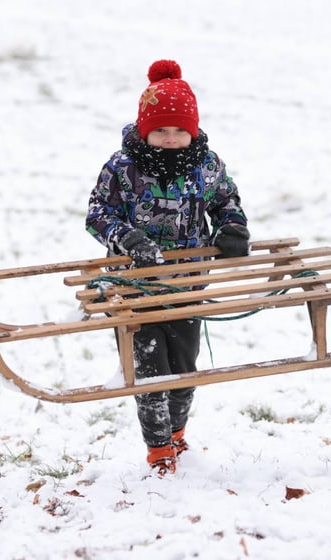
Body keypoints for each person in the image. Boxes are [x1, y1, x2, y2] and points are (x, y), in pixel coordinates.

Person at [85, 59, 250, 476]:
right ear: (145, 130)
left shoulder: (207, 165)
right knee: (149, 369)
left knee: (183, 367)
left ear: (191, 131)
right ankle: (158, 446)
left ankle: (177, 430)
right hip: (134, 287)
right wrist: (127, 237)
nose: (171, 139)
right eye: (161, 130)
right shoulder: (123, 168)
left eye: (180, 130)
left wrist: (231, 228)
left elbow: (226, 201)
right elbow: (97, 213)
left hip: (188, 285)